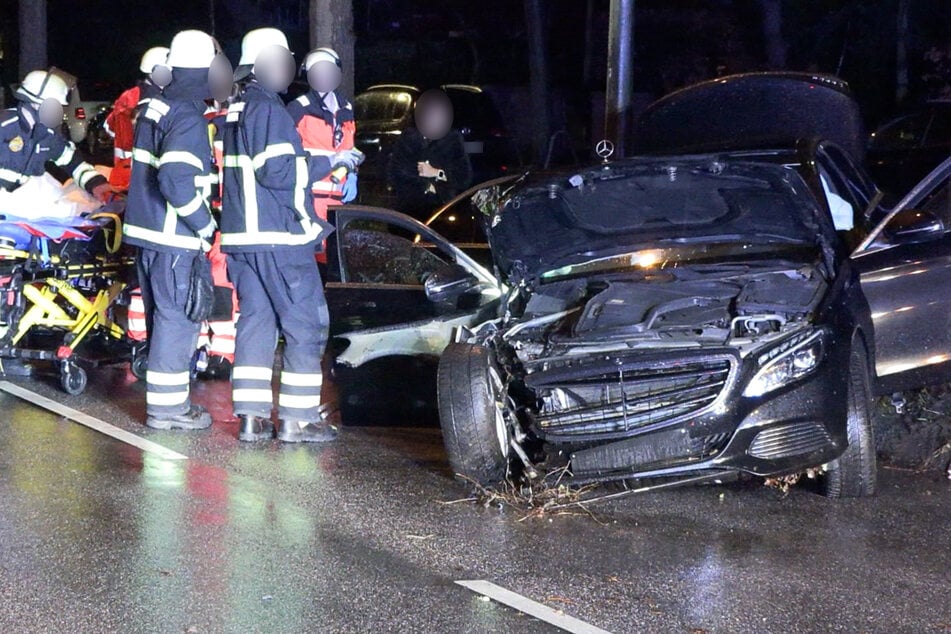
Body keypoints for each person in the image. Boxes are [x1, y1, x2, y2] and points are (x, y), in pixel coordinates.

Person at [220, 27, 362, 443]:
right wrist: (331, 164)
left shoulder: (239, 108)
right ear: (261, 64)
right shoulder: (268, 109)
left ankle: (251, 418)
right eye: (283, 58)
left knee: (257, 323)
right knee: (307, 323)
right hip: (278, 239)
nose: (290, 67)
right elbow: (278, 171)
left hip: (244, 240)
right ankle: (298, 420)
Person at [122, 30, 221, 430]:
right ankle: (168, 409)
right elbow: (176, 181)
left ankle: (167, 404)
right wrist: (204, 223)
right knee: (177, 319)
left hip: (148, 234)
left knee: (163, 316)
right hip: (174, 236)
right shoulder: (188, 115)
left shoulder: (157, 105)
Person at [0, 69, 111, 200]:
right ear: (34, 103)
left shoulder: (47, 135)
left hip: (20, 205)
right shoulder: (4, 126)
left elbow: (72, 161)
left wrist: (96, 183)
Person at [287, 47, 359, 228]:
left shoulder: (346, 108)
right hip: (310, 197)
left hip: (339, 200)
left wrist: (352, 174)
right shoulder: (298, 109)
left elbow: (350, 149)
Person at [386, 88, 471, 218]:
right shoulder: (408, 138)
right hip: (410, 209)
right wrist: (425, 186)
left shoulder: (452, 139)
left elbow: (464, 177)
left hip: (442, 209)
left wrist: (437, 173)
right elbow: (394, 173)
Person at [104, 46, 168, 191]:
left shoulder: (128, 96)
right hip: (149, 176)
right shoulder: (161, 101)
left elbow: (109, 128)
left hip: (124, 173)